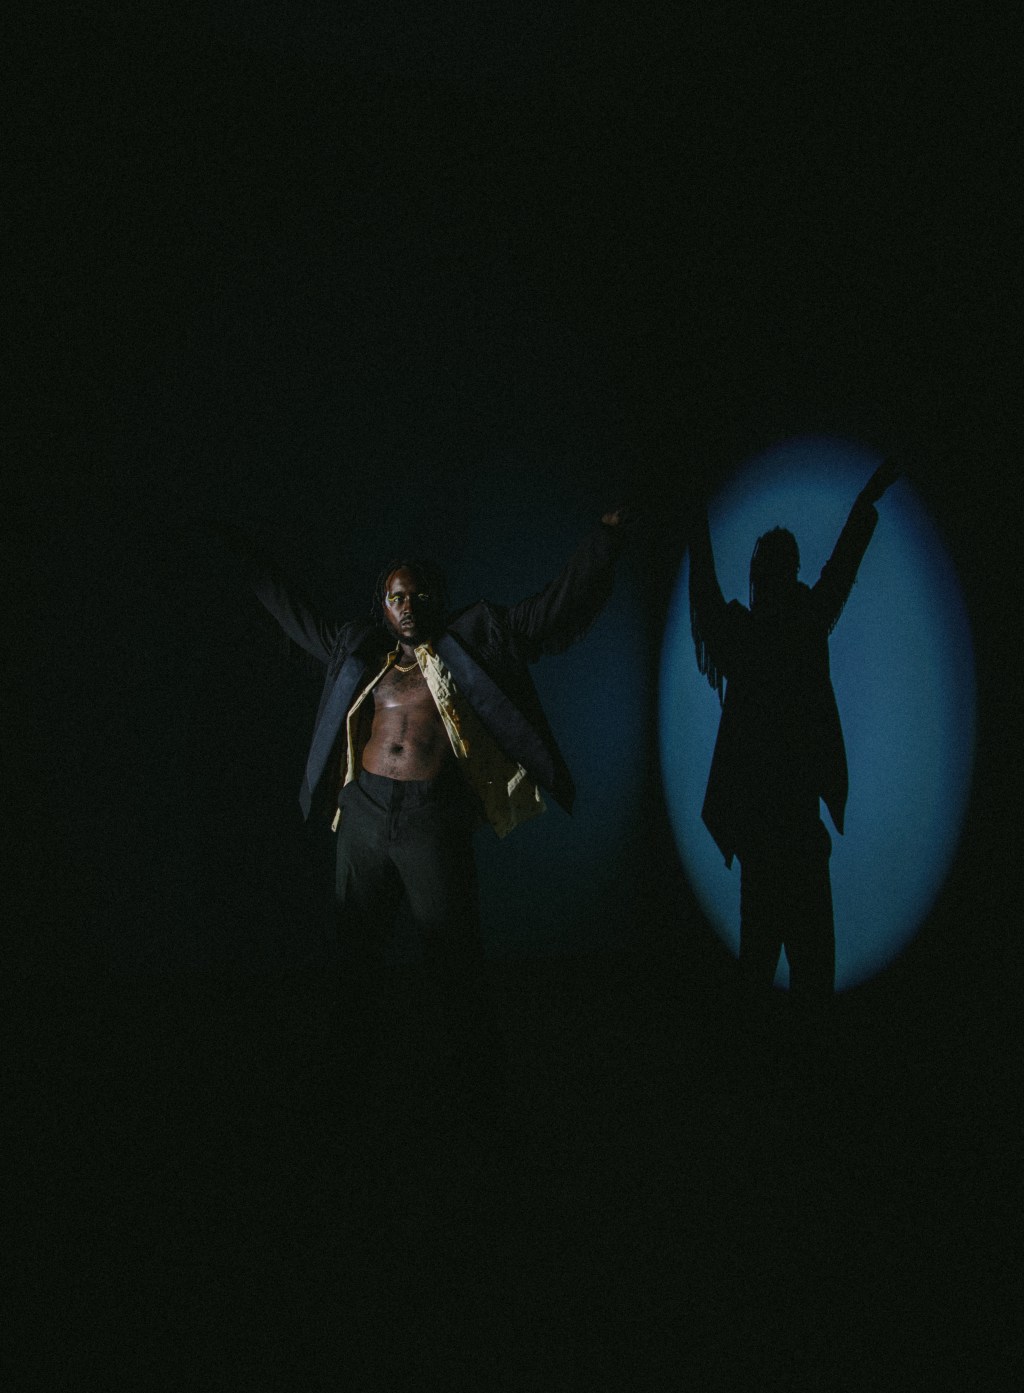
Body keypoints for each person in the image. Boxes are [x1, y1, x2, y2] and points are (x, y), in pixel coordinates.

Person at [214, 506, 627, 1115]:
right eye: (397, 597)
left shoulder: (475, 637)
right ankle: (345, 1080)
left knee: (454, 958)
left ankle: (478, 1091)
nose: (407, 605)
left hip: (430, 818)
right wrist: (241, 555)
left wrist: (605, 541)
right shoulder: (360, 650)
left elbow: (548, 611)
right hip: (363, 815)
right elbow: (293, 611)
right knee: (356, 954)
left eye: (418, 595)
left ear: (437, 599)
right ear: (384, 607)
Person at [687, 460, 898, 1008]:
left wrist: (695, 517)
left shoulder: (749, 634)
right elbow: (841, 568)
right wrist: (865, 500)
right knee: (809, 977)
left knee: (763, 974)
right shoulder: (803, 623)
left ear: (760, 576)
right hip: (797, 841)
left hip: (766, 844)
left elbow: (706, 595)